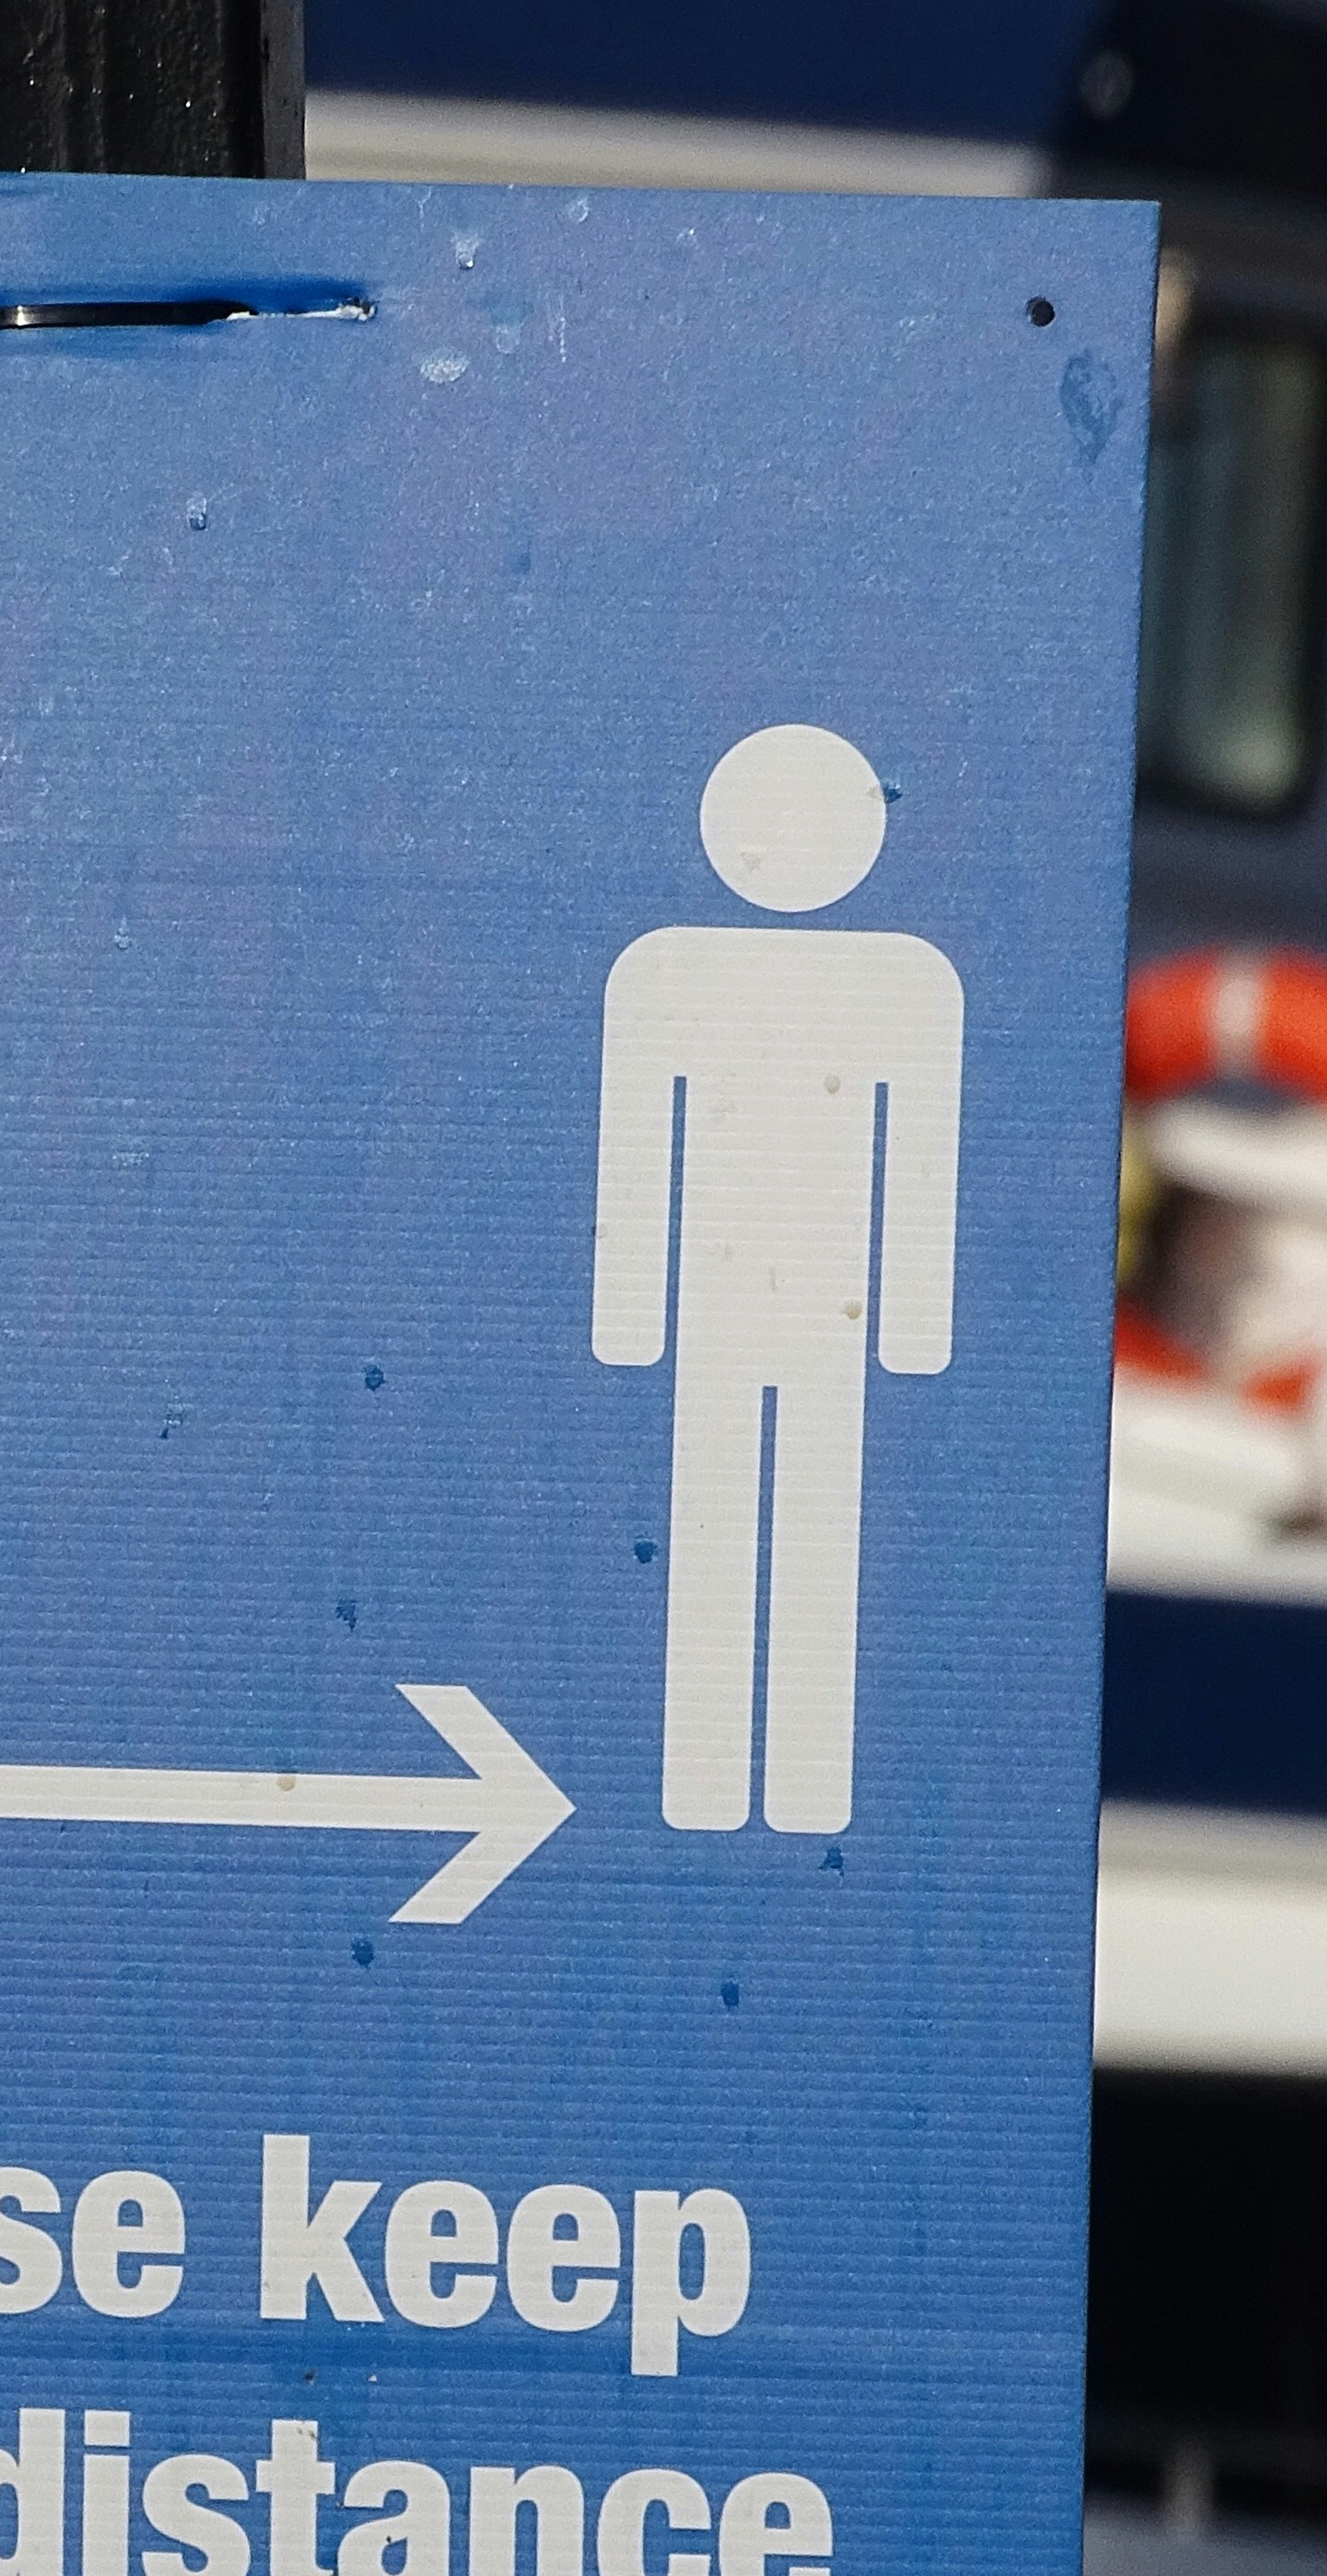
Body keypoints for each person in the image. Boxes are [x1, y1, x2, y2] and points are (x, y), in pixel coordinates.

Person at [594, 726, 961, 1836]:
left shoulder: (909, 982)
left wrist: (913, 1327)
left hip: (818, 1312)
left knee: (810, 1523)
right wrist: (627, 1317)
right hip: (733, 1308)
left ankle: (797, 1785)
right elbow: (636, 1155)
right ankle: (712, 1784)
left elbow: (919, 1159)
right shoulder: (664, 971)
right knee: (724, 1520)